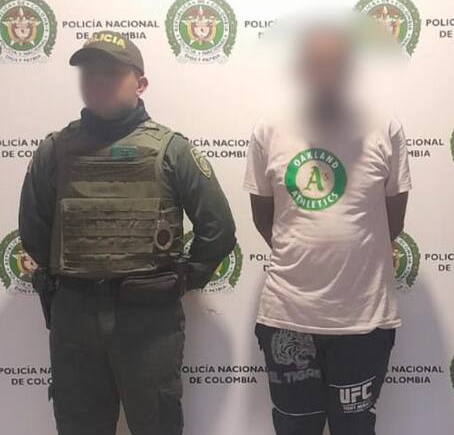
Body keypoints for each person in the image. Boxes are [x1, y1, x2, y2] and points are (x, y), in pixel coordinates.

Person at [19, 30, 237, 435]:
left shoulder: (172, 149)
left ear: (140, 83)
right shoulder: (55, 149)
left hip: (148, 320)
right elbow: (33, 228)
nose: (98, 81)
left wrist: (181, 280)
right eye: (89, 73)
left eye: (111, 73)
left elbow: (218, 228)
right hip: (75, 318)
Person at [244, 23, 411, 435]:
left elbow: (393, 220)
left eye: (336, 63)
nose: (326, 72)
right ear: (301, 70)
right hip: (288, 318)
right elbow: (264, 217)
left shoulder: (385, 128)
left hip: (363, 321)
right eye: (316, 63)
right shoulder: (269, 130)